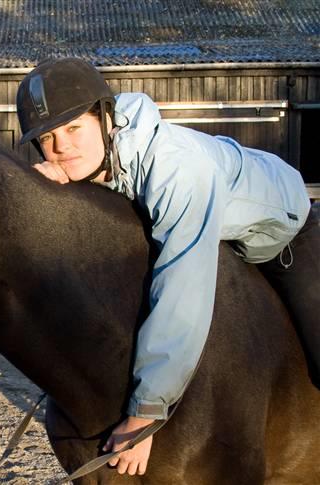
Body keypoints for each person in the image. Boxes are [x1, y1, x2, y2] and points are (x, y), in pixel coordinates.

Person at [16, 58, 319, 477]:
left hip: (283, 234)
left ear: (106, 119)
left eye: (73, 128)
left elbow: (183, 289)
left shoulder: (175, 170)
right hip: (216, 229)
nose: (62, 147)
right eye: (48, 138)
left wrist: (146, 415)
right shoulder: (94, 161)